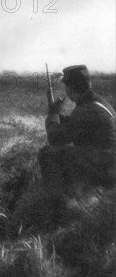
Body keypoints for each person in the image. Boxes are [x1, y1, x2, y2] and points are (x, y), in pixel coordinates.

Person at [38, 65, 116, 193]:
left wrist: (52, 114)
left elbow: (55, 139)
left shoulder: (85, 110)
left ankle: (56, 202)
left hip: (106, 169)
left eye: (66, 87)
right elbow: (78, 124)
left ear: (70, 88)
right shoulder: (99, 102)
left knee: (47, 154)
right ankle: (77, 195)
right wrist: (59, 116)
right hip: (109, 164)